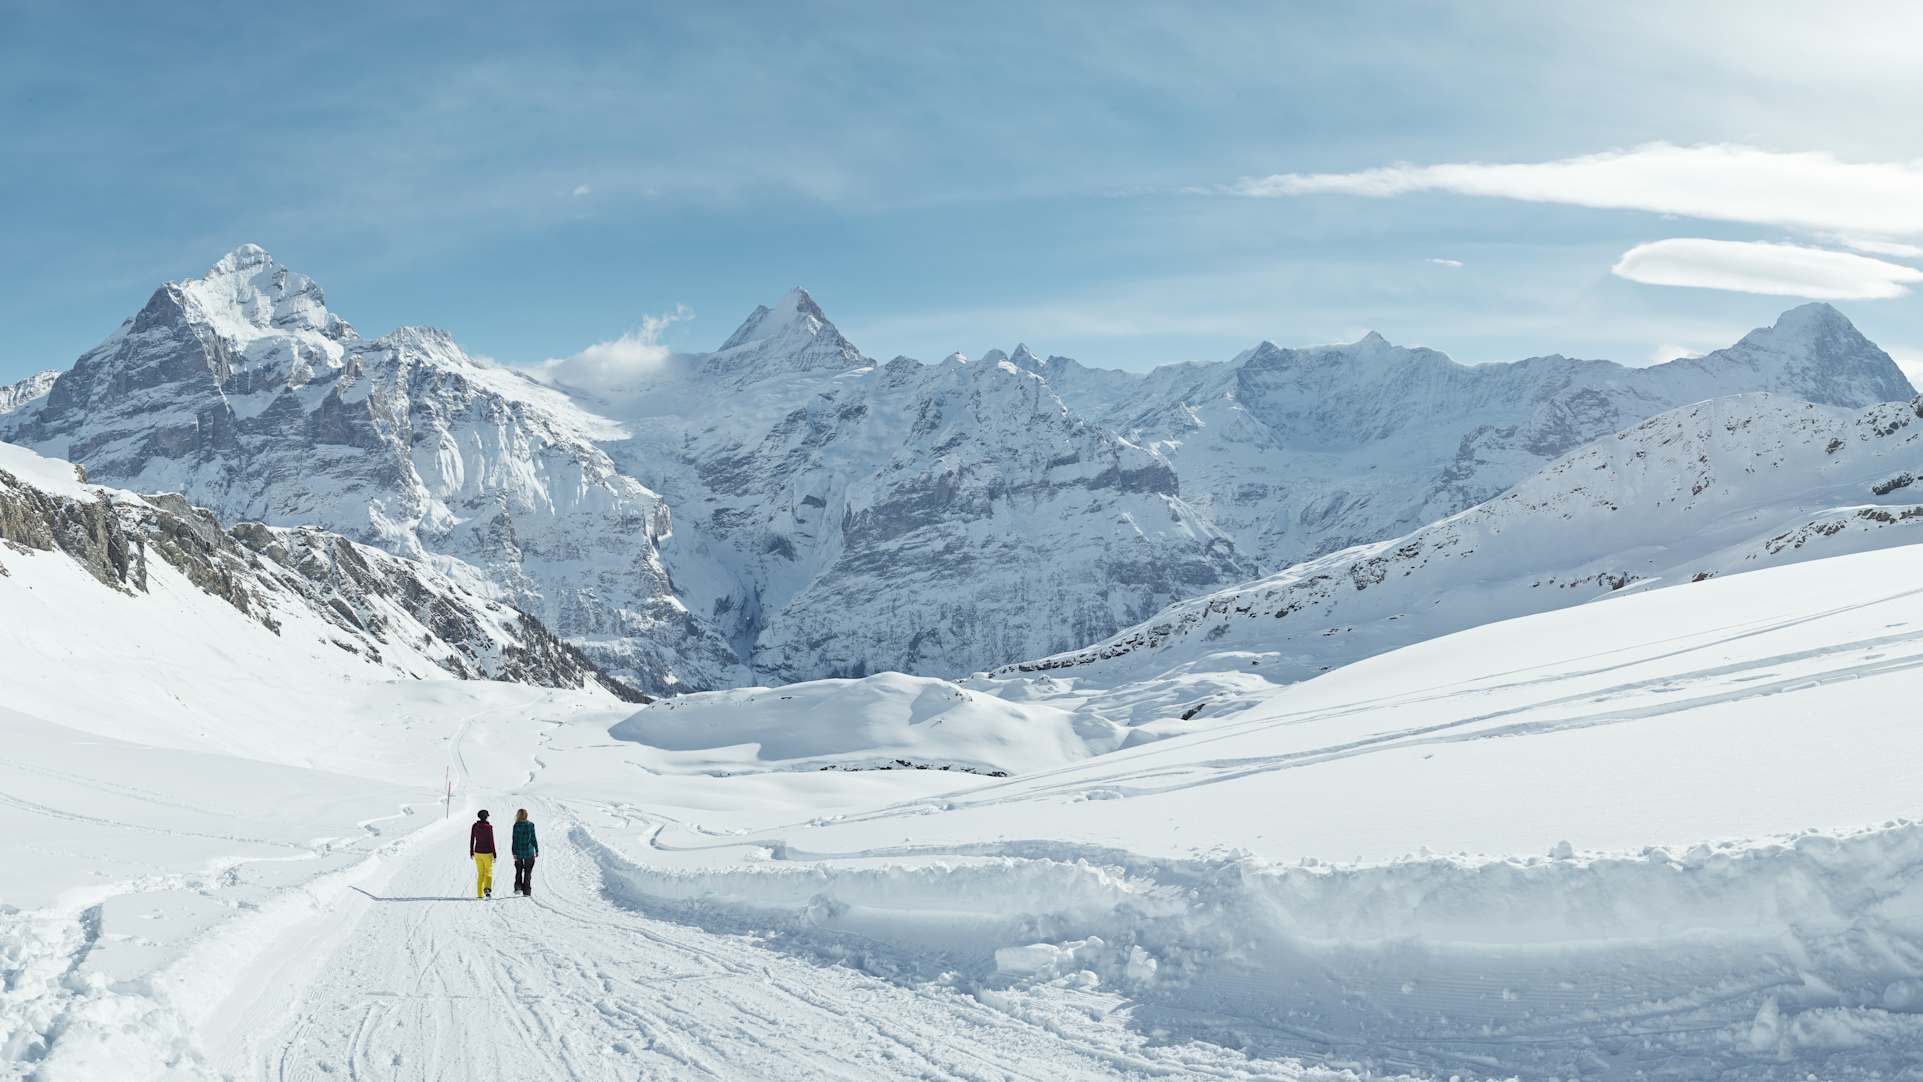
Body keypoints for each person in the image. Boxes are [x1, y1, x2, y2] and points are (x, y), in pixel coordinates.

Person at [511, 808, 539, 896]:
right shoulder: (531, 825)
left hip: (518, 851)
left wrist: (514, 852)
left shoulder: (516, 825)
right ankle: (527, 891)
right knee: (528, 871)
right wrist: (536, 849)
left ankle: (518, 887)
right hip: (529, 851)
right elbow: (533, 838)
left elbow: (514, 840)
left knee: (518, 870)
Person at [470, 809, 496, 898]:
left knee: (480, 873)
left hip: (477, 852)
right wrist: (494, 853)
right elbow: (491, 841)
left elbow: (472, 839)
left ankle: (480, 895)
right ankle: (487, 889)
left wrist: (471, 851)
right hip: (487, 853)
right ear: (487, 817)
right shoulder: (489, 827)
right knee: (488, 871)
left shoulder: (475, 826)